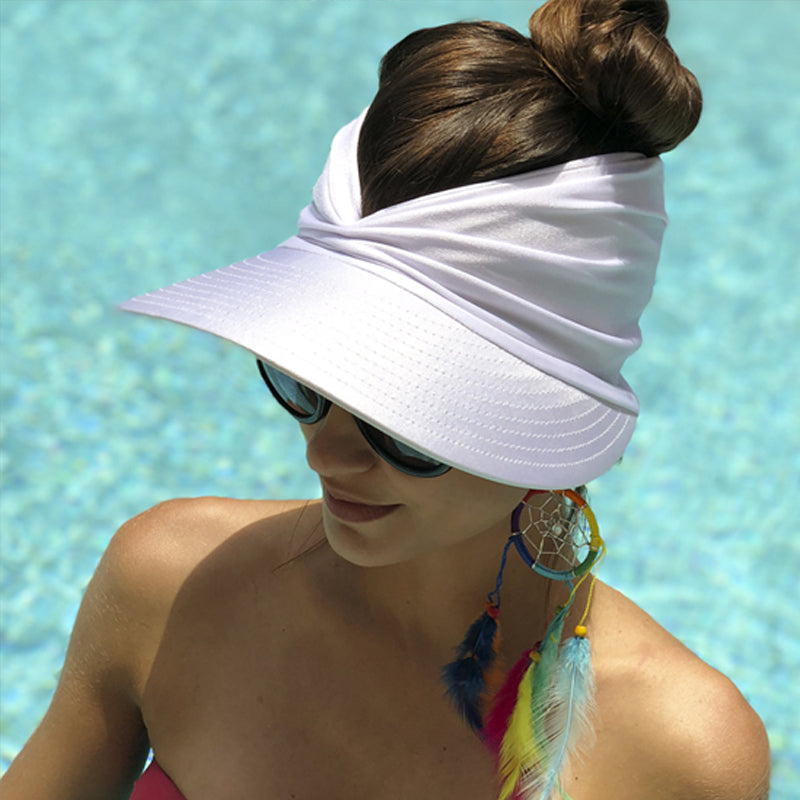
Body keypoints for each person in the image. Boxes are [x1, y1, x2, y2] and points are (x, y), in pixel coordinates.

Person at [1, 1, 770, 798]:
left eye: (400, 420)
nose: (325, 452)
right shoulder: (170, 583)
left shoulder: (682, 751)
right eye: (312, 384)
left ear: (543, 410)